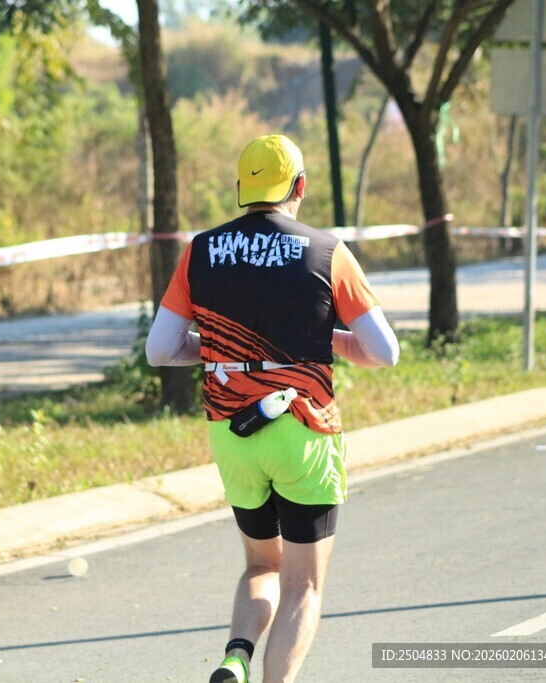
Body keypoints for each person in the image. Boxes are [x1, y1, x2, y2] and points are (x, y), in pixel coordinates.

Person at [146, 134, 399, 683]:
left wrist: (214, 352)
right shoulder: (327, 252)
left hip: (232, 434)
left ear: (242, 189)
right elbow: (384, 352)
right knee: (304, 585)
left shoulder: (200, 251)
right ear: (300, 186)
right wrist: (326, 340)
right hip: (303, 431)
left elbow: (160, 349)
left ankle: (236, 656)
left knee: (261, 563)